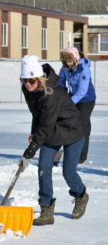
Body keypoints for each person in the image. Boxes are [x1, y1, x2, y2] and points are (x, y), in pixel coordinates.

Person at [19, 55, 89, 226]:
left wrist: (31, 149)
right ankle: (46, 209)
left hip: (72, 131)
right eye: (25, 80)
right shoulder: (28, 90)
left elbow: (46, 124)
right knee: (43, 168)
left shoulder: (52, 94)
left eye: (32, 81)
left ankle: (81, 195)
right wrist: (33, 135)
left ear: (40, 79)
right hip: (52, 131)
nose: (28, 84)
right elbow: (38, 115)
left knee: (68, 173)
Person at [59, 47, 96, 164]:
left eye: (70, 60)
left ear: (75, 58)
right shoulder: (65, 68)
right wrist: (62, 94)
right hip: (73, 98)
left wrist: (69, 102)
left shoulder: (84, 69)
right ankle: (69, 150)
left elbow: (82, 91)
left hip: (87, 100)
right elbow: (60, 81)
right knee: (68, 123)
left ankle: (81, 156)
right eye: (66, 60)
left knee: (82, 125)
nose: (68, 63)